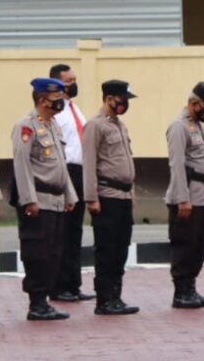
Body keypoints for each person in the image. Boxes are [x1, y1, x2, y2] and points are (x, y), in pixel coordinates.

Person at [11, 77, 77, 321]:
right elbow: (22, 164)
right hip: (38, 199)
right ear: (42, 100)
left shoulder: (53, 125)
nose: (60, 104)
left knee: (54, 252)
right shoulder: (26, 126)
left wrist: (70, 194)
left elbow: (61, 163)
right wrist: (29, 200)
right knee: (37, 251)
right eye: (56, 100)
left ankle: (45, 300)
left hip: (57, 200)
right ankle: (36, 302)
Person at [82, 79, 139, 316]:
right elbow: (89, 162)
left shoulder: (120, 126)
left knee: (121, 248)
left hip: (123, 195)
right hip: (107, 195)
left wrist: (132, 196)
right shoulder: (95, 126)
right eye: (121, 100)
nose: (124, 104)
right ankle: (104, 299)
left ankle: (116, 296)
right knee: (106, 249)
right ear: (108, 99)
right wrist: (91, 197)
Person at [165, 82, 204, 309]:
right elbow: (177, 164)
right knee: (185, 244)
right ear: (193, 103)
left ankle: (191, 287)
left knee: (200, 244)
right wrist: (182, 198)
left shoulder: (198, 126)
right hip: (188, 196)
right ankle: (181, 291)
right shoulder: (179, 127)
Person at [49, 64, 93, 303]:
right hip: (65, 172)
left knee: (75, 231)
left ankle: (73, 284)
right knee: (63, 232)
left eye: (74, 79)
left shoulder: (74, 108)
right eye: (69, 80)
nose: (73, 84)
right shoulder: (55, 112)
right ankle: (59, 285)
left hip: (81, 172)